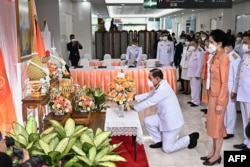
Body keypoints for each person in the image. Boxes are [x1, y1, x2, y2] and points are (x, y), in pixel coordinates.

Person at [132, 68, 199, 153]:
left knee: (167, 149)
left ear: (157, 79)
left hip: (172, 122)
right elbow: (149, 94)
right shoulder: (160, 85)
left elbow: (150, 101)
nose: (149, 80)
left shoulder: (163, 89)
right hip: (163, 117)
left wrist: (134, 108)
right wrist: (134, 97)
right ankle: (159, 141)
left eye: (150, 78)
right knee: (148, 121)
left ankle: (190, 138)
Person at [200, 29, 230, 166]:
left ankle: (217, 155)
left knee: (217, 127)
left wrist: (220, 102)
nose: (209, 44)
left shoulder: (224, 58)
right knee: (212, 126)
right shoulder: (215, 55)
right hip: (213, 95)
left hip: (219, 97)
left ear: (219, 43)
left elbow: (224, 83)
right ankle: (213, 152)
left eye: (211, 42)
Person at [233, 31, 250, 151]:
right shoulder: (245, 56)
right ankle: (246, 140)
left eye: (246, 42)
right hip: (243, 92)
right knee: (245, 119)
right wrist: (235, 90)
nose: (243, 45)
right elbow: (239, 74)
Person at [223, 38, 241, 140]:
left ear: (230, 47)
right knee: (225, 108)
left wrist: (234, 90)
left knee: (230, 109)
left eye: (226, 46)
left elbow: (236, 76)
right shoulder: (227, 56)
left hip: (231, 86)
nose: (224, 48)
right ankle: (225, 127)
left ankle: (230, 130)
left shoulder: (235, 57)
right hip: (226, 85)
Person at [186, 38, 204, 107]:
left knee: (196, 87)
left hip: (196, 72)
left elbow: (200, 63)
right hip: (191, 71)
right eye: (191, 44)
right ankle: (193, 99)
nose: (192, 46)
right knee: (192, 87)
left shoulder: (200, 51)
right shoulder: (194, 51)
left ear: (197, 44)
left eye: (193, 44)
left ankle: (196, 101)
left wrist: (198, 73)